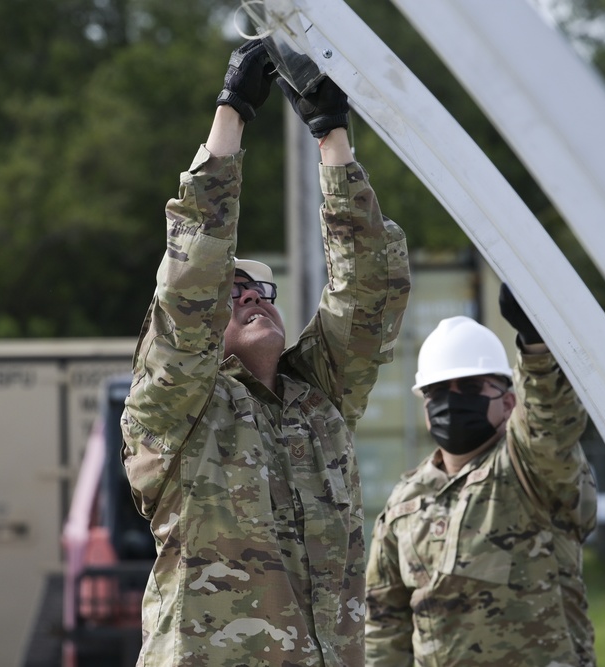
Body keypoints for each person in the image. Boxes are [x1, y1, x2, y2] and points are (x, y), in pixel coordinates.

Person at [121, 39, 410, 666]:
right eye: (232, 294)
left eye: (258, 287)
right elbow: (188, 290)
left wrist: (332, 136)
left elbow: (367, 294)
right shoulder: (177, 415)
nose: (250, 297)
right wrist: (232, 112)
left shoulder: (318, 401)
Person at [365, 284, 598, 666]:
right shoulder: (405, 502)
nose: (451, 400)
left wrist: (537, 344)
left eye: (470, 388)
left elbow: (551, 420)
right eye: (437, 391)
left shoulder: (531, 467)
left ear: (508, 402)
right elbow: (383, 625)